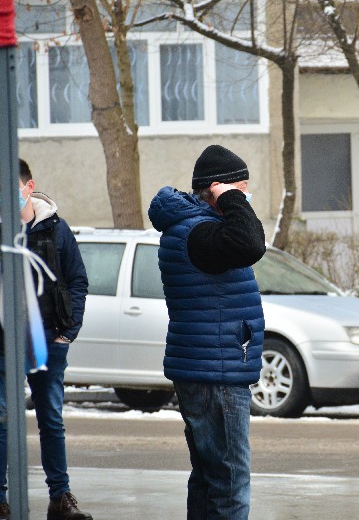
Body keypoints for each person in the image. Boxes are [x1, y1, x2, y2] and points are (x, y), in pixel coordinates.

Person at [148, 144, 266, 520]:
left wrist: (228, 196)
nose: (245, 197)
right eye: (241, 189)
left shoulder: (194, 229)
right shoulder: (199, 235)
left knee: (208, 478)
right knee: (230, 484)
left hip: (206, 369)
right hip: (216, 374)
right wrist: (232, 196)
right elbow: (251, 242)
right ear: (218, 190)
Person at [0, 159, 91, 520]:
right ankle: (2, 499)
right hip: (4, 344)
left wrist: (68, 332)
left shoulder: (54, 228)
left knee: (51, 419)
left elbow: (77, 280)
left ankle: (61, 497)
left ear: (29, 185)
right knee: (3, 419)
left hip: (47, 340)